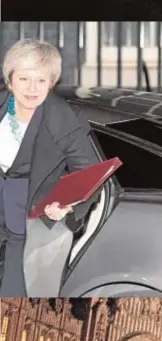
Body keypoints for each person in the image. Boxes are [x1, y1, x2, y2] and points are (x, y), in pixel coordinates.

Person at [0, 39, 99, 296]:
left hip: (24, 209)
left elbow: (89, 175)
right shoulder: (2, 105)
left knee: (14, 289)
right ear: (10, 80)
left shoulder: (62, 117)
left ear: (51, 83)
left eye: (41, 80)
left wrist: (67, 205)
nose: (32, 88)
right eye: (24, 79)